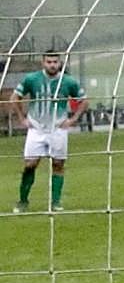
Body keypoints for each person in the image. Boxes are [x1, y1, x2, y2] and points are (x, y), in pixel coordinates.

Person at [11, 50, 87, 213]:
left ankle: (56, 202)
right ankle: (23, 201)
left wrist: (73, 120)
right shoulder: (31, 79)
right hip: (36, 129)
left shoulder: (68, 82)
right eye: (49, 62)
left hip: (57, 129)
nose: (52, 65)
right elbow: (15, 97)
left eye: (55, 62)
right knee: (30, 164)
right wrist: (22, 118)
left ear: (59, 63)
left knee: (58, 164)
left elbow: (83, 101)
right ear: (43, 63)